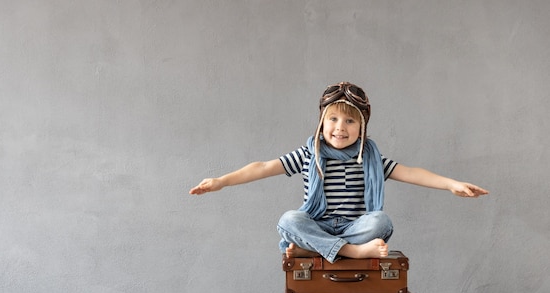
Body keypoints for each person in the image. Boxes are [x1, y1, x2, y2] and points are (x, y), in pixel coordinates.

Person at [189, 82, 488, 262]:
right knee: (289, 220)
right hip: (317, 224)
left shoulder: (369, 157)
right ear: (322, 121)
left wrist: (451, 184)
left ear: (362, 128)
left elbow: (411, 172)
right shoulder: (310, 153)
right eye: (332, 119)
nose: (339, 128)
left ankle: (316, 250)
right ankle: (352, 253)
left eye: (349, 122)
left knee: (381, 221)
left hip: (354, 228)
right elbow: (265, 167)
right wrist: (221, 182)